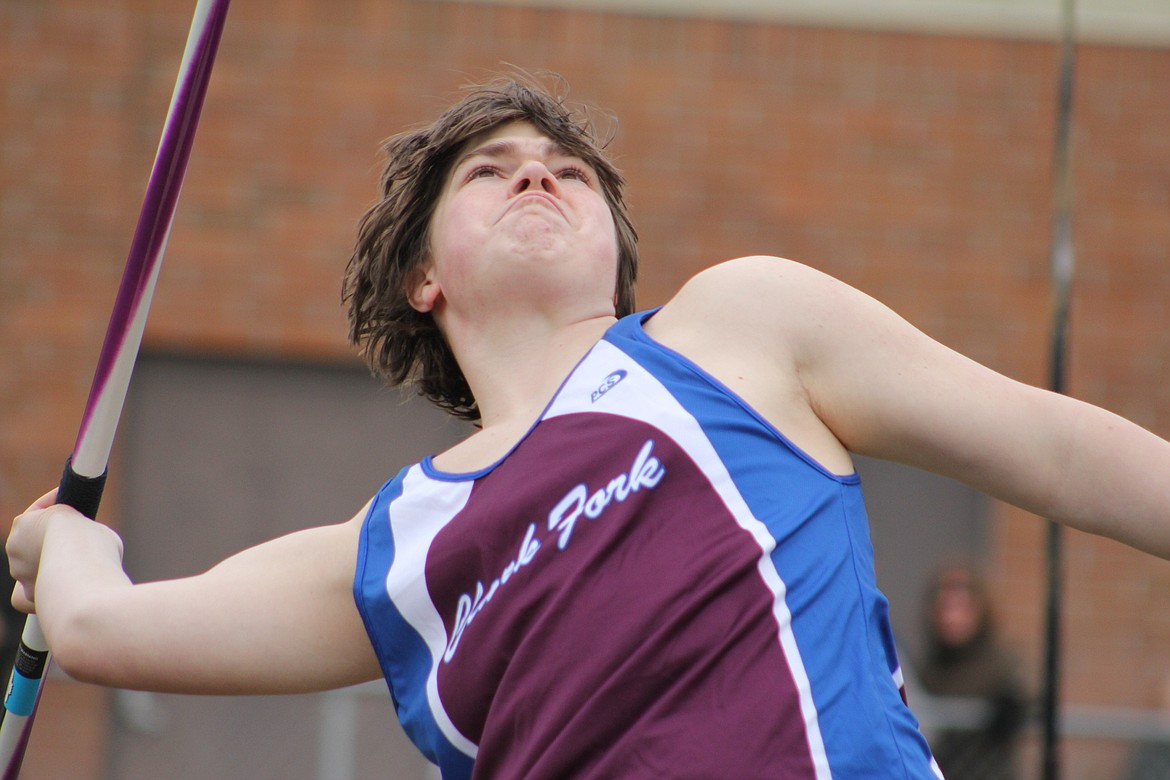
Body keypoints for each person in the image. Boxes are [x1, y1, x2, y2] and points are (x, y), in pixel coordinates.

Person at [8, 75, 1170, 779]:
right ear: (421, 274)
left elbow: (1057, 448)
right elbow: (102, 627)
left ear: (615, 249)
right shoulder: (399, 544)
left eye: (569, 171)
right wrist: (57, 545)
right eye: (493, 171)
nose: (539, 180)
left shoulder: (735, 330)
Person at [916, 564, 1027, 780]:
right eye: (945, 607)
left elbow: (1025, 691)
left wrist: (1011, 702)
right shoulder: (927, 671)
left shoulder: (1000, 667)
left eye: (962, 607)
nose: (952, 618)